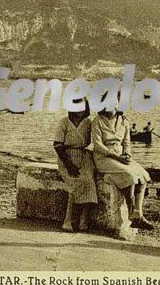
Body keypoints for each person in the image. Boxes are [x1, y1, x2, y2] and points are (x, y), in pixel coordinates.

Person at [91, 100, 154, 230]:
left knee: (143, 175)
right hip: (104, 158)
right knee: (129, 174)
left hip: (120, 157)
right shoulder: (97, 121)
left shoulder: (124, 121)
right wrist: (115, 156)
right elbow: (98, 145)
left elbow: (126, 144)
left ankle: (138, 213)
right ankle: (132, 213)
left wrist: (127, 155)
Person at [53, 98, 97, 232]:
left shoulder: (88, 123)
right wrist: (69, 165)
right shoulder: (64, 122)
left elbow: (98, 138)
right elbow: (57, 145)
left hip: (84, 157)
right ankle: (68, 220)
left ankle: (83, 219)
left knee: (89, 182)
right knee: (75, 182)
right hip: (67, 158)